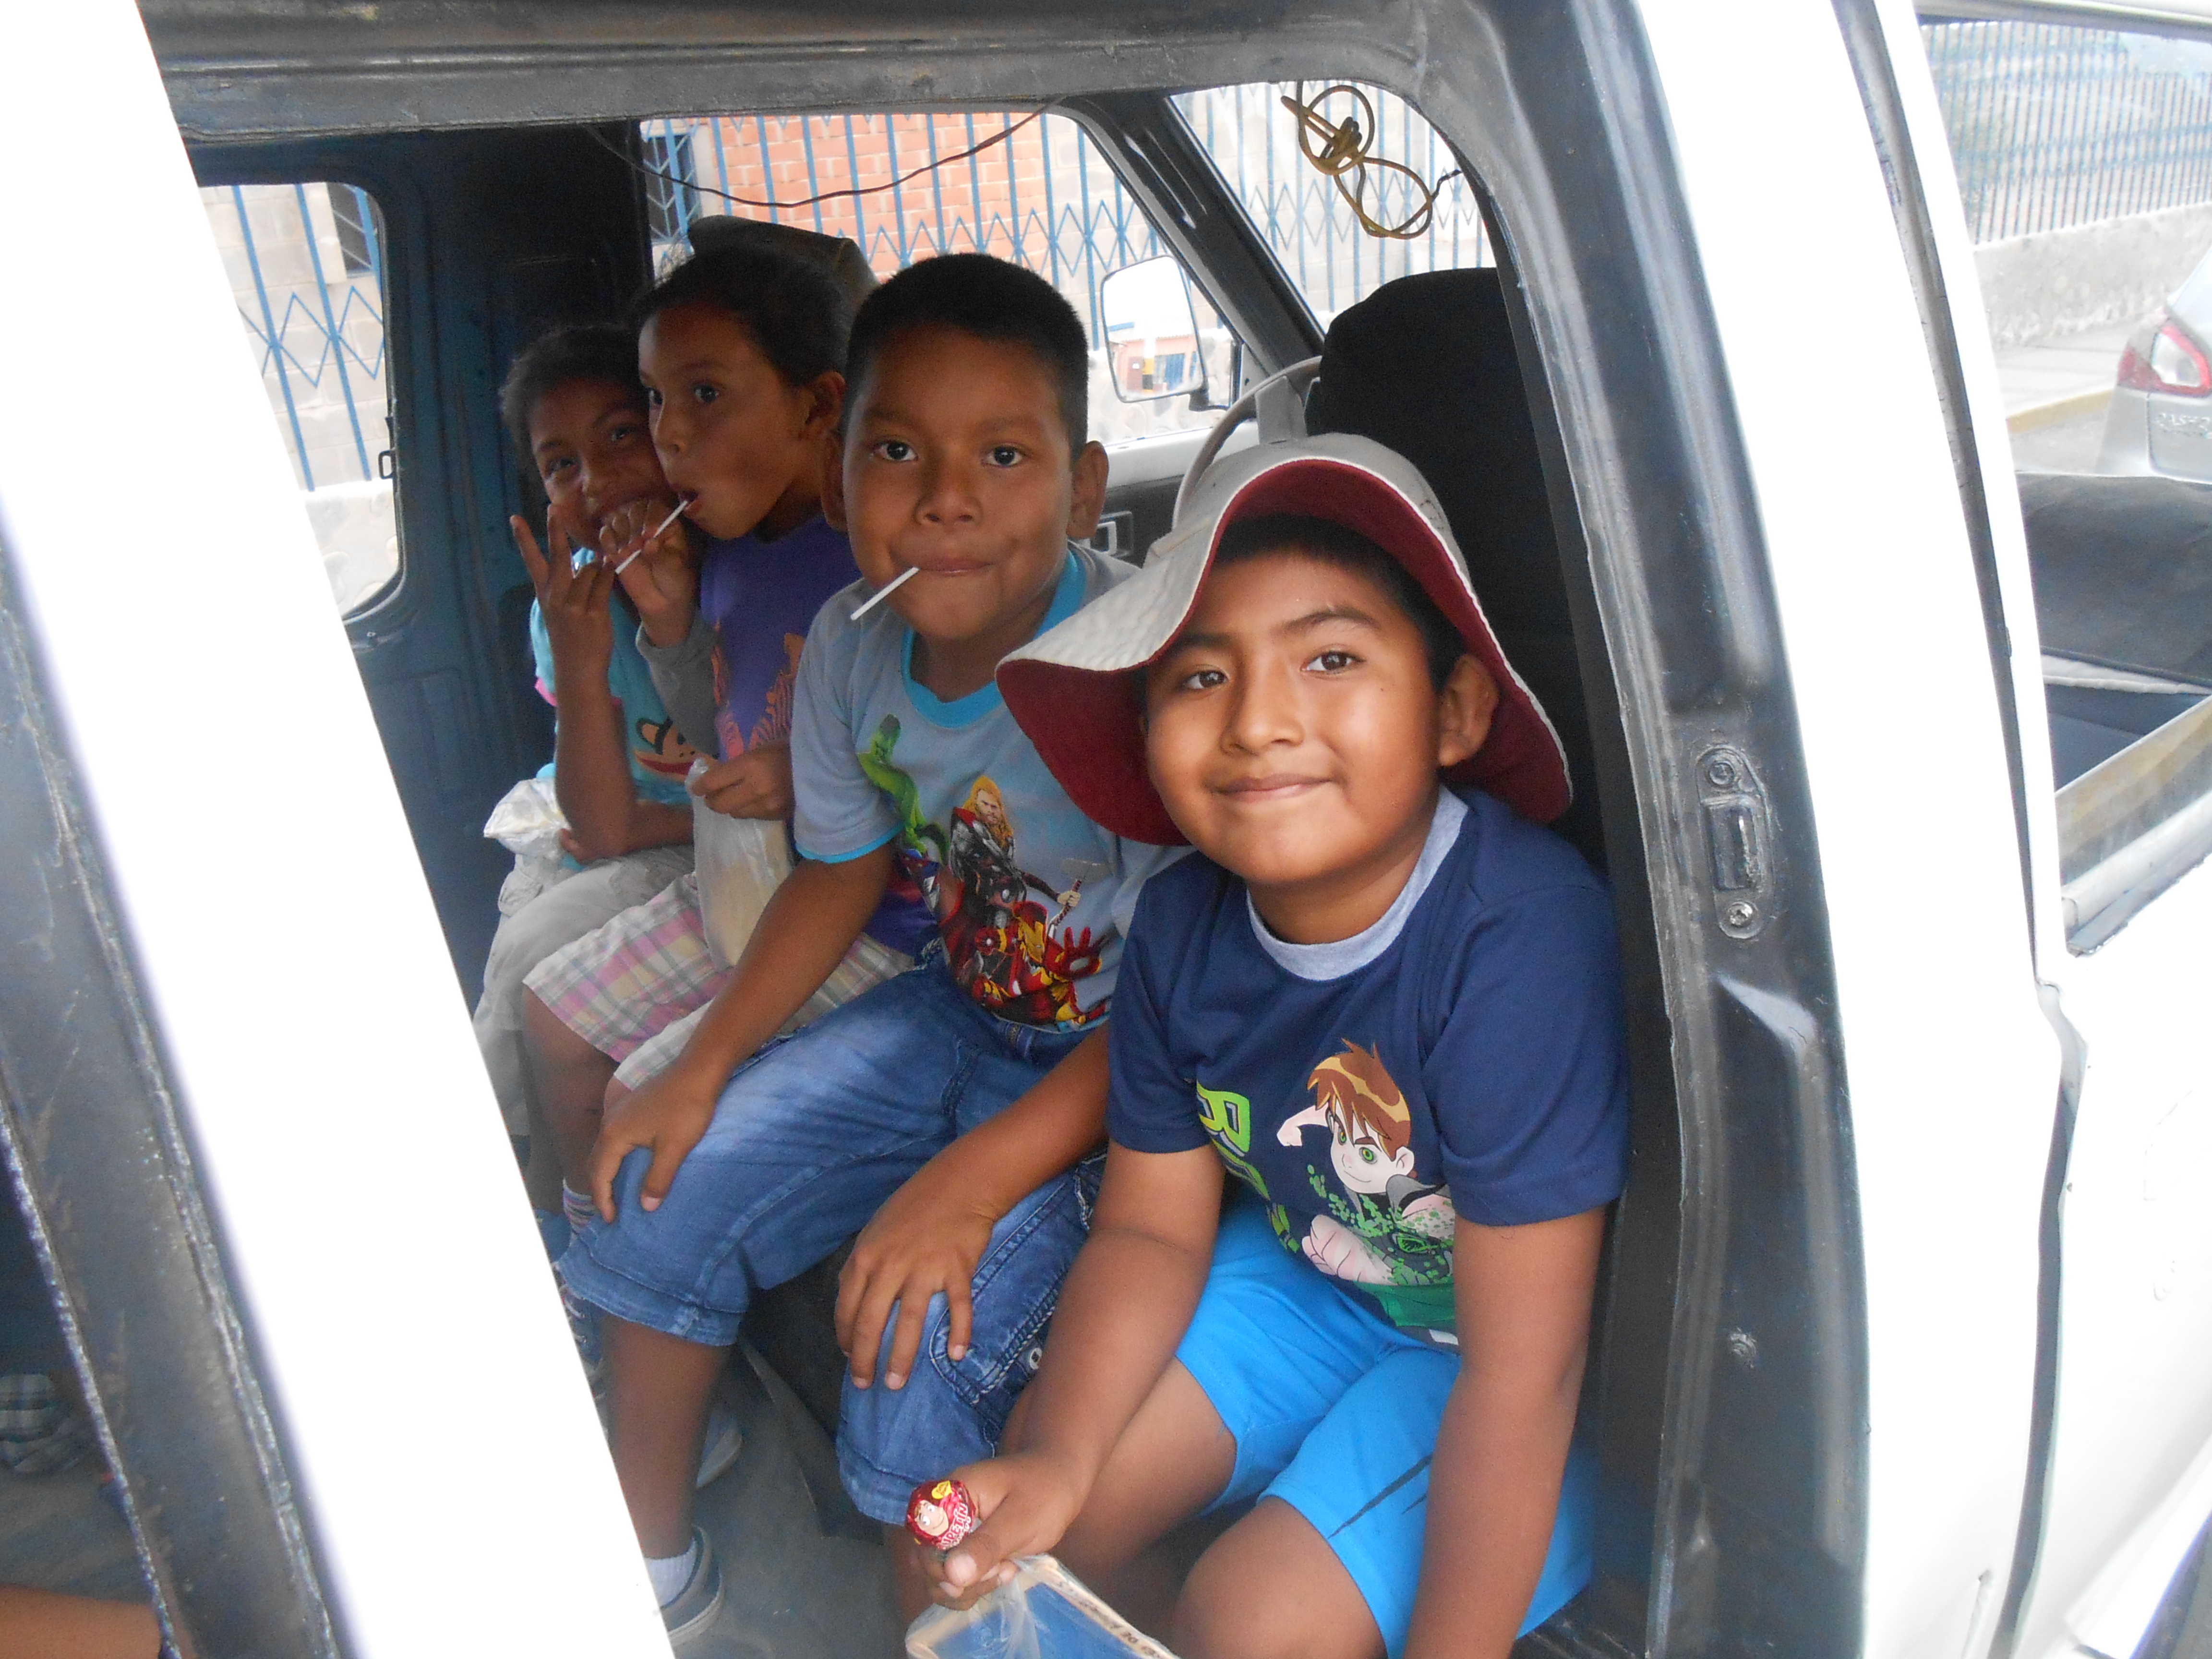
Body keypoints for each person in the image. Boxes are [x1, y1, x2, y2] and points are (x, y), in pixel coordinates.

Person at [557, 252, 1180, 1645]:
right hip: (958, 1012)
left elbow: (1181, 1011)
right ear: (837, 477)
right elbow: (839, 872)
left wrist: (968, 1182)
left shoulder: (1138, 669)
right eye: (897, 452)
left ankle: (945, 1622)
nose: (946, 498)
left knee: (913, 1333)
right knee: (658, 1176)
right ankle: (648, 1581)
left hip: (1125, 1081)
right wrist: (703, 1065)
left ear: (1083, 487)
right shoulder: (851, 644)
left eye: (1003, 456)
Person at [938, 432, 1633, 1659]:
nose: (1259, 722)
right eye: (1201, 677)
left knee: (1247, 1618)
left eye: (1332, 657)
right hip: (1320, 1281)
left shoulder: (1516, 937)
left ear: (1456, 709)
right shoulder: (1181, 926)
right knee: (1031, 1527)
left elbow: (1526, 1378)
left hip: (1501, 1352)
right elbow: (1151, 1229)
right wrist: (1058, 1460)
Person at [519, 244, 918, 1227]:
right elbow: (720, 732)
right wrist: (668, 625)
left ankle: (637, 1274)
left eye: (704, 395)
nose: (672, 435)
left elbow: (943, 747)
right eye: (658, 400)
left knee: (641, 1098)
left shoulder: (875, 556)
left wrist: (806, 774)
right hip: (759, 882)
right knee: (550, 1016)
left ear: (818, 407)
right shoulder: (733, 553)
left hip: (879, 913)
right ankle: (585, 1245)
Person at [470, 325, 700, 1213]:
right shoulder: (571, 602)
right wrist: (578, 652)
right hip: (623, 825)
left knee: (535, 958)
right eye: (561, 465)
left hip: (704, 836)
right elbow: (600, 821)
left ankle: (552, 1207)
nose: (596, 482)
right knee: (523, 963)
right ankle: (534, 1193)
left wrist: (650, 826)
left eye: (620, 437)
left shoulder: (730, 576)